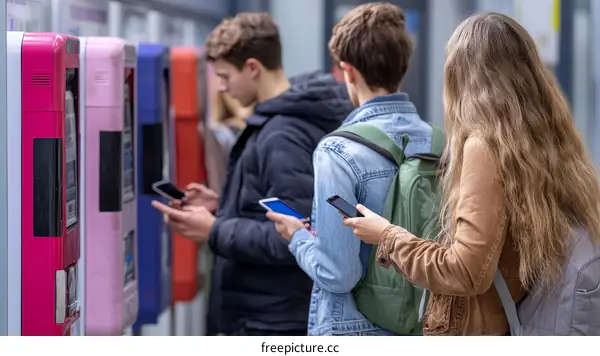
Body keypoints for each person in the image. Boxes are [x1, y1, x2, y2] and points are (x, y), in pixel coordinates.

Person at [342, 12, 600, 335]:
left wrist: (387, 236)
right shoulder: (543, 138)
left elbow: (465, 270)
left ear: (463, 76)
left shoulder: (483, 147)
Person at [151, 12, 353, 336]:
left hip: (271, 322)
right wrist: (222, 205)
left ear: (253, 68)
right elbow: (279, 208)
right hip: (269, 314)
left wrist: (215, 229)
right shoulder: (284, 124)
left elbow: (296, 232)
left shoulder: (282, 135)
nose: (221, 87)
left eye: (225, 76)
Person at [266, 3, 435, 336]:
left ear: (348, 71)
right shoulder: (437, 142)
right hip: (423, 324)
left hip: (354, 329)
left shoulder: (337, 151)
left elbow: (338, 273)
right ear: (403, 65)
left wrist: (297, 237)